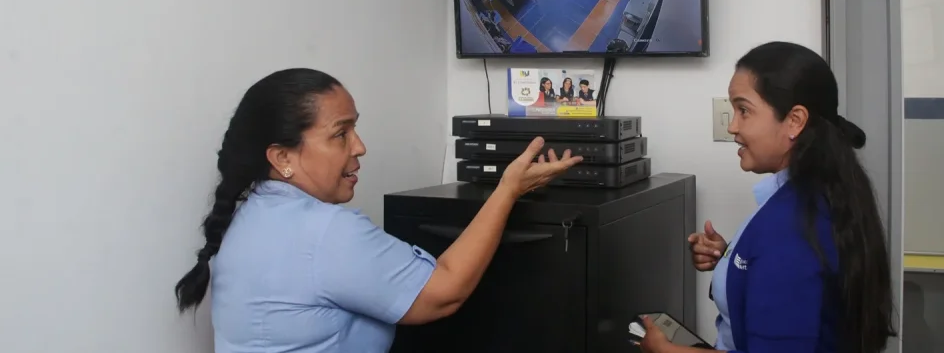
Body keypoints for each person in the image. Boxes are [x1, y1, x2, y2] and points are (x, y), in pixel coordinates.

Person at [174, 68, 581, 353]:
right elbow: (444, 292)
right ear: (282, 157)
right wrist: (508, 189)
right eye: (340, 134)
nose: (360, 146)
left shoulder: (250, 215)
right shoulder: (324, 231)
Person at [638, 42, 895, 353]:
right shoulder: (812, 198)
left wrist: (667, 351)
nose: (732, 125)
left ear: (795, 121)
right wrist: (733, 259)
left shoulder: (792, 228)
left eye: (743, 110)